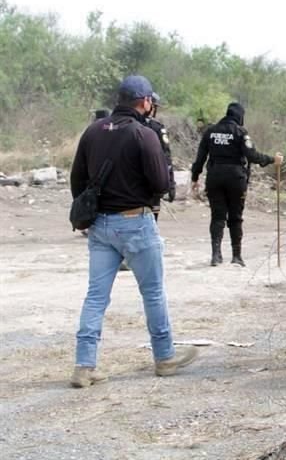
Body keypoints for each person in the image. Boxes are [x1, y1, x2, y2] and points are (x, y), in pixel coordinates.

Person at [69, 76, 197, 388]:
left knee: (96, 296)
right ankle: (164, 356)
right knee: (151, 292)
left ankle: (84, 366)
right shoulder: (144, 134)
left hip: (100, 225)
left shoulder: (92, 131)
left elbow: (77, 180)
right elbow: (160, 184)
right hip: (136, 222)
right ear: (144, 102)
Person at [190, 103, 282, 267]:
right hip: (236, 179)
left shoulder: (210, 132)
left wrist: (195, 178)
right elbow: (252, 155)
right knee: (236, 218)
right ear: (240, 116)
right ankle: (237, 256)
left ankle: (216, 255)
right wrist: (272, 160)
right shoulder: (240, 132)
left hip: (214, 178)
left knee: (217, 217)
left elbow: (200, 158)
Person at [143, 92, 176, 221]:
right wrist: (170, 183)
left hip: (128, 185)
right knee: (151, 219)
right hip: (151, 183)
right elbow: (166, 158)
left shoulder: (124, 125)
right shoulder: (156, 128)